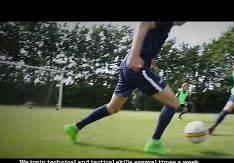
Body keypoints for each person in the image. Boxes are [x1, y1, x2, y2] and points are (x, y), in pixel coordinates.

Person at [64, 21, 185, 155]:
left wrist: (150, 57)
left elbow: (149, 37)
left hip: (127, 68)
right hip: (137, 68)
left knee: (112, 108)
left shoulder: (167, 25)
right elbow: (144, 23)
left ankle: (75, 128)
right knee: (173, 102)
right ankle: (154, 143)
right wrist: (134, 54)